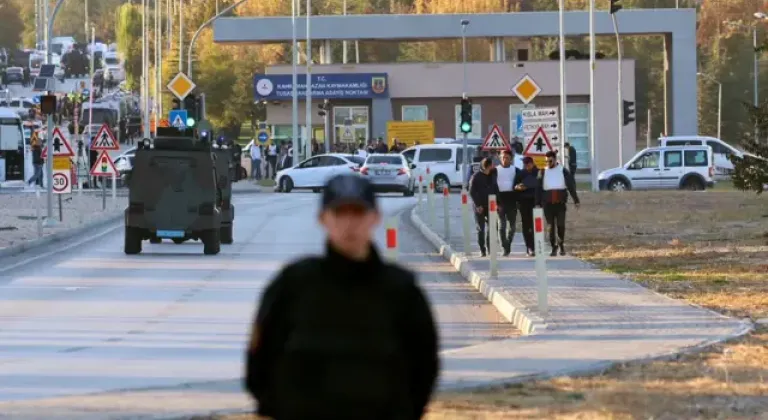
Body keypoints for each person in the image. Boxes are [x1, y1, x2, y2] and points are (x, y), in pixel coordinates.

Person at [245, 174, 439, 420]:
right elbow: (259, 363)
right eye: (340, 213)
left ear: (375, 218)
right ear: (323, 218)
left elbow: (423, 366)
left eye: (358, 213)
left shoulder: (400, 292)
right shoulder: (293, 286)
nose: (349, 224)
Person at [536, 150, 580, 257]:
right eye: (546, 161)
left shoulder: (563, 171)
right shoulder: (542, 172)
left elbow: (570, 186)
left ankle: (561, 244)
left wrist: (576, 200)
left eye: (550, 161)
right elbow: (538, 189)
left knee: (561, 225)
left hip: (560, 204)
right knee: (551, 226)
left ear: (555, 160)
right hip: (547, 204)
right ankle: (553, 247)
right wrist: (537, 203)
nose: (548, 164)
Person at [469, 158, 497, 257]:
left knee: (492, 228)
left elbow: (495, 189)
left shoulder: (492, 175)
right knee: (481, 228)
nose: (493, 166)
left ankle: (490, 248)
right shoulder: (476, 177)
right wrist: (478, 205)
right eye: (491, 165)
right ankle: (482, 250)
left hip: (491, 206)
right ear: (488, 166)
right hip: (479, 207)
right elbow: (471, 192)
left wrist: (498, 203)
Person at [495, 150, 520, 256]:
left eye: (507, 158)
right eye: (503, 157)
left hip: (512, 199)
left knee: (512, 227)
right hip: (499, 199)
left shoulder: (516, 170)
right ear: (500, 158)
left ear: (511, 159)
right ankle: (504, 248)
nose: (505, 160)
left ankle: (508, 243)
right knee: (501, 225)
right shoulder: (495, 170)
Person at [513, 156, 539, 256]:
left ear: (532, 163)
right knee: (526, 225)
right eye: (525, 164)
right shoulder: (521, 173)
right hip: (524, 203)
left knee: (536, 226)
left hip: (535, 202)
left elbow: (541, 186)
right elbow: (514, 187)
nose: (527, 166)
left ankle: (536, 246)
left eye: (528, 164)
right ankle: (529, 247)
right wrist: (518, 187)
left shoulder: (538, 172)